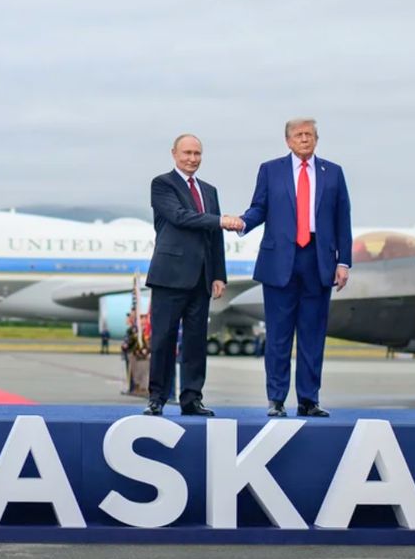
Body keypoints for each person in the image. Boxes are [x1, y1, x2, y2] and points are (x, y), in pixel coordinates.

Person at [230, 118, 352, 417]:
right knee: (278, 335)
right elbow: (260, 207)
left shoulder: (333, 173)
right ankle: (276, 399)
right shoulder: (270, 170)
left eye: (309, 134)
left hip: (318, 260)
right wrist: (244, 222)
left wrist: (343, 261)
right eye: (298, 135)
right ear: (287, 141)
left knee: (312, 335)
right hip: (280, 261)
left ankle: (309, 400)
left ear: (317, 139)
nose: (304, 139)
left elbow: (342, 220)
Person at [141, 133, 228, 417]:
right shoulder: (162, 184)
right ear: (174, 154)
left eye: (197, 154)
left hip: (201, 278)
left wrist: (218, 274)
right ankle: (157, 398)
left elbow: (214, 237)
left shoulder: (210, 191)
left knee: (195, 341)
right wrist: (221, 220)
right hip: (170, 276)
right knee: (163, 339)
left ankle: (192, 399)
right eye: (187, 153)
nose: (192, 159)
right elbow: (180, 216)